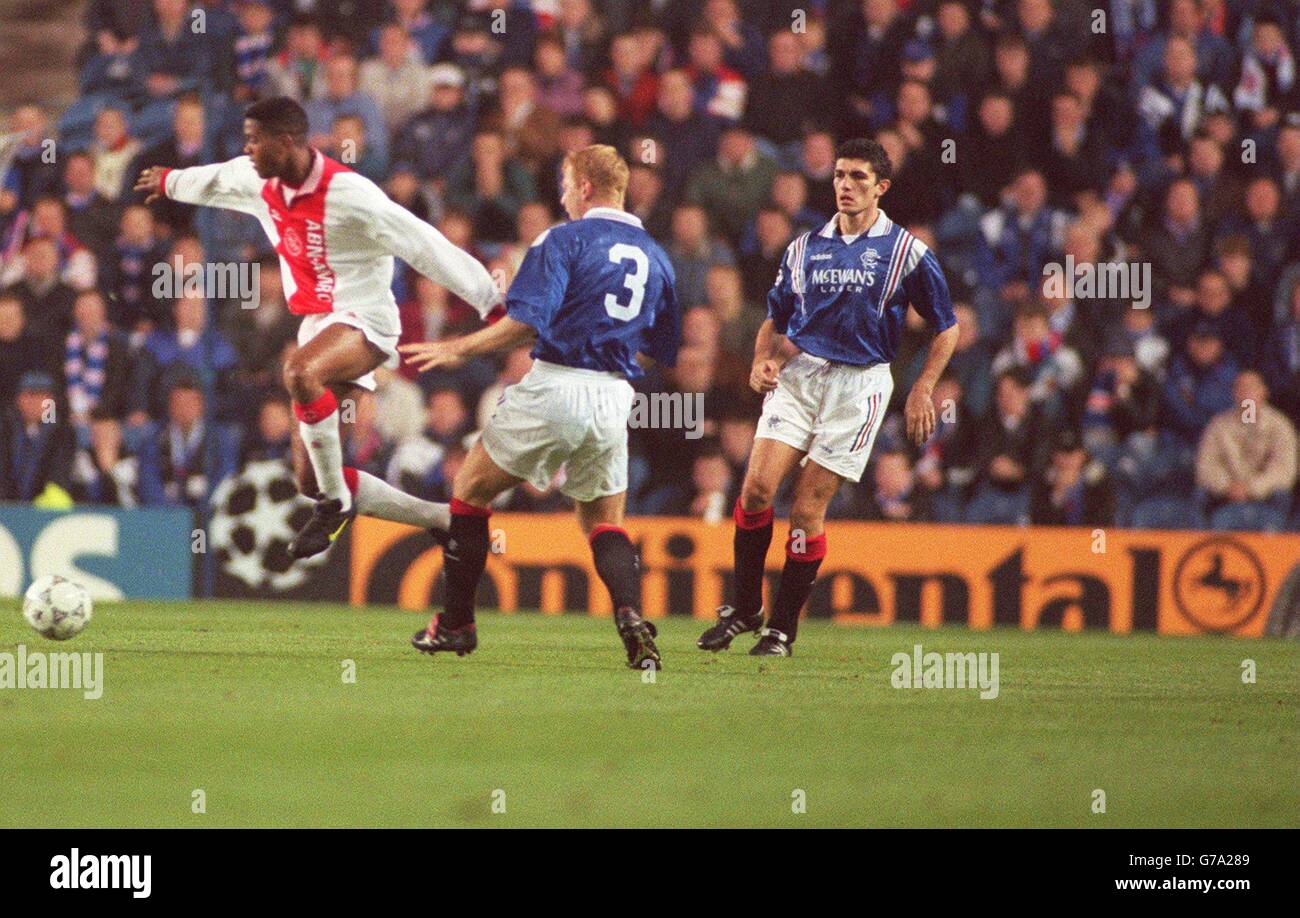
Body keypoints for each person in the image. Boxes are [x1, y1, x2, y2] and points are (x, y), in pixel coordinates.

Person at [133, 96, 502, 559]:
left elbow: (424, 245)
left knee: (299, 373)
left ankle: (334, 508)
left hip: (366, 319)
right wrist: (170, 181)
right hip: (318, 325)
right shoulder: (258, 180)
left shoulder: (352, 195)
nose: (247, 149)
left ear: (285, 142)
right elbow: (219, 179)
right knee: (309, 477)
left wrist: (490, 301)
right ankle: (443, 519)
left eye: (254, 140)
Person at [400, 144, 679, 669]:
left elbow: (527, 322)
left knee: (470, 490)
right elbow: (663, 345)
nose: (562, 194)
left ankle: (456, 623)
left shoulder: (563, 237)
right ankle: (631, 616)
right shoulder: (657, 255)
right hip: (615, 393)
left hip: (557, 382)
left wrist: (459, 346)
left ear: (586, 188)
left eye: (566, 183)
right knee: (603, 519)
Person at [697, 138, 958, 657]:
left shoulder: (906, 253)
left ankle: (782, 628)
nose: (846, 185)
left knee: (806, 507)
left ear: (881, 188)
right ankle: (746, 608)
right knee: (754, 492)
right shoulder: (804, 246)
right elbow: (776, 315)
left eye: (859, 177)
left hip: (859, 385)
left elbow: (946, 328)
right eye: (840, 175)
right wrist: (761, 360)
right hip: (801, 374)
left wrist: (922, 387)